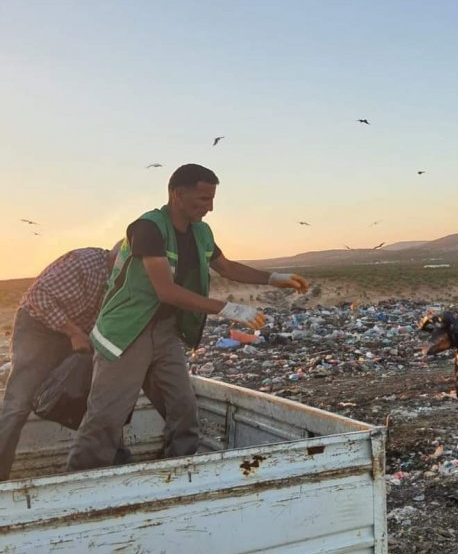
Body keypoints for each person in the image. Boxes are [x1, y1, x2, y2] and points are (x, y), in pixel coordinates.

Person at [67, 163, 309, 472]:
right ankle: (79, 485)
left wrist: (275, 277)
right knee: (106, 417)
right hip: (126, 331)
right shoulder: (148, 228)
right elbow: (165, 291)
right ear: (176, 195)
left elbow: (228, 267)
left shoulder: (201, 231)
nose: (210, 207)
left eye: (212, 199)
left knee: (183, 409)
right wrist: (229, 309)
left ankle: (178, 474)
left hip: (165, 331)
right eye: (203, 199)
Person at [0, 245, 118, 480]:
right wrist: (72, 333)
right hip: (39, 328)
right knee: (18, 402)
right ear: (119, 256)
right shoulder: (85, 262)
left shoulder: (125, 281)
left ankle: (110, 460)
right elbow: (37, 296)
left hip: (79, 335)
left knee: (96, 396)